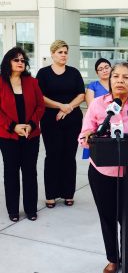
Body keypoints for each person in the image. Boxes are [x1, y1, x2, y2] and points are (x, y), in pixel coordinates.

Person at [78, 62, 128, 273]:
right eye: (116, 76)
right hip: (102, 173)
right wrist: (89, 137)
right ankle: (113, 259)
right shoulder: (98, 104)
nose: (120, 81)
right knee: (107, 218)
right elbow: (84, 135)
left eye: (126, 77)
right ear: (109, 80)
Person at [36, 40, 85, 208]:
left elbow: (81, 95)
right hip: (51, 120)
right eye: (60, 52)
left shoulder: (74, 73)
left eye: (65, 52)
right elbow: (40, 97)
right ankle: (51, 194)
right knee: (53, 156)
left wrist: (67, 108)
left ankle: (68, 193)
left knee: (69, 156)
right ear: (52, 54)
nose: (64, 55)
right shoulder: (43, 73)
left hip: (72, 120)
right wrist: (60, 106)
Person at [0, 46, 45, 222]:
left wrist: (31, 125)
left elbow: (40, 106)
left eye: (22, 60)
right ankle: (12, 210)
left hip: (30, 135)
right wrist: (13, 126)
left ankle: (30, 209)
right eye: (16, 60)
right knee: (11, 173)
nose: (20, 63)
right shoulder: (1, 82)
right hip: (8, 136)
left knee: (29, 172)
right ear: (8, 62)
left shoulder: (32, 82)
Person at [82, 58, 111, 159]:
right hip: (99, 123)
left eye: (107, 67)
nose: (104, 70)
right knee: (98, 157)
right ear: (97, 72)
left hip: (117, 122)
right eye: (101, 69)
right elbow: (91, 107)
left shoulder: (117, 84)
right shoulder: (93, 86)